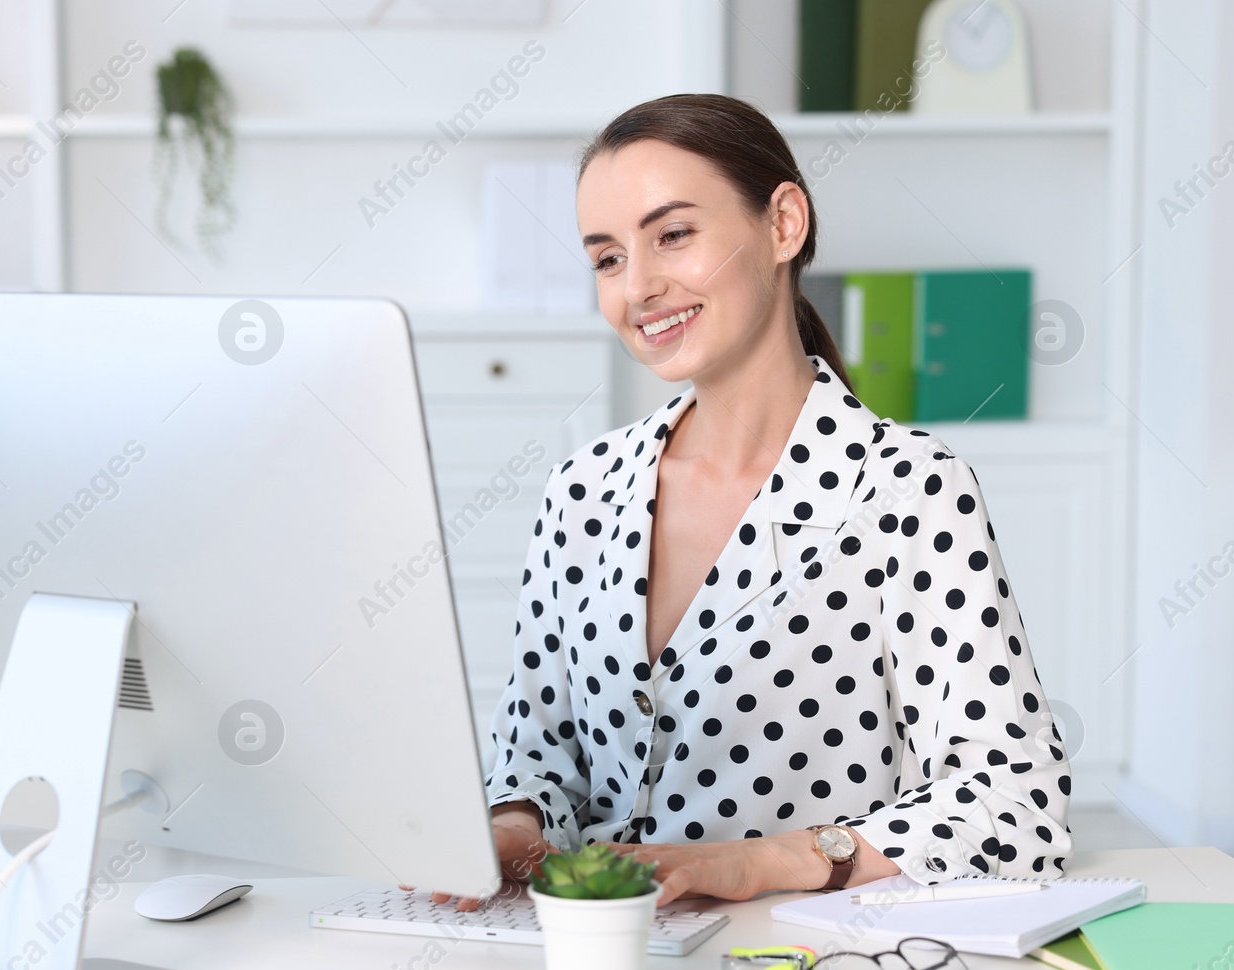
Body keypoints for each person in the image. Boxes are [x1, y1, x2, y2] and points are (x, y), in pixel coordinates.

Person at [452, 94, 1072, 911]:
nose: (638, 287)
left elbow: (1019, 802)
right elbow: (539, 750)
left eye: (672, 235)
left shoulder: (905, 487)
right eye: (606, 258)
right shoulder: (584, 489)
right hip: (601, 961)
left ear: (784, 224)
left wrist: (754, 862)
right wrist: (513, 824)